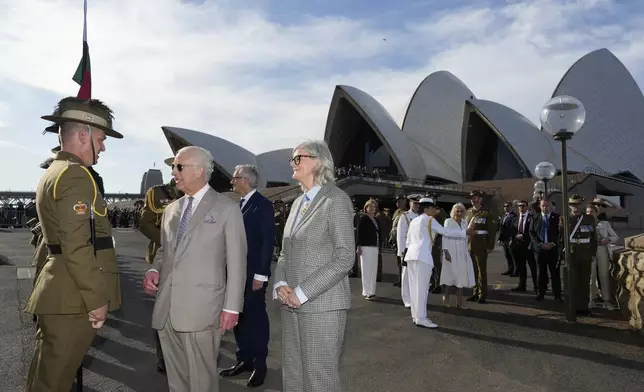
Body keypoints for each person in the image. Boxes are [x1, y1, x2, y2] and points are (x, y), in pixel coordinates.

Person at [25, 97, 123, 392]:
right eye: (101, 139)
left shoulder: (56, 172)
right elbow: (78, 245)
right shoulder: (75, 176)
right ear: (83, 135)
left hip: (62, 290)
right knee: (54, 382)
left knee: (46, 375)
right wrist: (96, 299)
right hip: (73, 296)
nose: (103, 147)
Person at [142, 146, 246, 392]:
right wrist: (154, 270)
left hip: (203, 310)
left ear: (199, 170)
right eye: (173, 167)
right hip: (167, 308)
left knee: (202, 382)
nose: (173, 172)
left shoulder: (226, 208)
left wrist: (232, 307)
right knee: (176, 382)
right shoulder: (171, 210)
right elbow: (165, 251)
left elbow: (238, 260)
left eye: (179, 166)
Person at [273, 140, 354, 392]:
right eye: (292, 159)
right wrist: (281, 283)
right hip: (291, 303)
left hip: (322, 305)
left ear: (318, 162)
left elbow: (344, 256)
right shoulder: (297, 203)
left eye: (298, 158)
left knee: (320, 379)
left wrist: (303, 292)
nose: (293, 163)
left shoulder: (336, 200)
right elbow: (285, 251)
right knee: (294, 374)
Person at [220, 164, 275, 388]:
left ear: (246, 179)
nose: (232, 181)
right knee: (239, 318)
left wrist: (261, 274)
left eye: (235, 178)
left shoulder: (262, 205)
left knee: (256, 318)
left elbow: (267, 241)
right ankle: (244, 360)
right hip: (236, 274)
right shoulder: (238, 205)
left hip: (253, 274)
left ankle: (259, 364)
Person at [138, 157, 182, 375]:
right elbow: (144, 223)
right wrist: (168, 242)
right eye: (177, 167)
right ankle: (164, 356)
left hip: (191, 262)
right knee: (163, 310)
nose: (179, 171)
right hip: (162, 257)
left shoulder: (198, 194)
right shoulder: (158, 193)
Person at [404, 197, 472, 328]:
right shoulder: (429, 219)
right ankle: (421, 318)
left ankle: (416, 316)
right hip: (422, 257)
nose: (435, 210)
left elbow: (409, 240)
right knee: (422, 289)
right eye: (433, 207)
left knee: (414, 288)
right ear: (427, 208)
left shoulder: (414, 221)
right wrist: (464, 232)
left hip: (411, 256)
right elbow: (445, 231)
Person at [559, 194, 597, 316]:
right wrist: (562, 253)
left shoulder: (589, 219)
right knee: (572, 281)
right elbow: (560, 238)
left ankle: (583, 307)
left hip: (585, 252)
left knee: (584, 281)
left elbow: (593, 238)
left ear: (581, 205)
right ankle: (572, 306)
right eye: (573, 204)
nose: (576, 207)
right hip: (571, 253)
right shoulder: (564, 218)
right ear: (570, 206)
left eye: (578, 204)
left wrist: (592, 253)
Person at [440, 203, 476, 308]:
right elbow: (445, 236)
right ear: (453, 211)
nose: (459, 213)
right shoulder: (448, 222)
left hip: (462, 252)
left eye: (461, 211)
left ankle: (460, 301)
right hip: (451, 252)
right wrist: (445, 251)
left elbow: (466, 237)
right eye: (457, 211)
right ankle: (446, 298)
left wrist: (471, 235)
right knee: (450, 276)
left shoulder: (464, 222)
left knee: (462, 277)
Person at [465, 190, 496, 303]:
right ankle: (475, 292)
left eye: (475, 197)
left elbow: (492, 231)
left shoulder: (486, 213)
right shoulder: (468, 212)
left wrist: (490, 246)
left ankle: (482, 294)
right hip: (469, 245)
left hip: (481, 245)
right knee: (473, 271)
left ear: (481, 199)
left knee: (481, 271)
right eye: (471, 197)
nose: (473, 200)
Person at [586, 202, 619, 309]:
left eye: (591, 211)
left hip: (602, 250)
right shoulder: (583, 224)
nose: (589, 213)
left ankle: (606, 301)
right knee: (591, 276)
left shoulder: (604, 224)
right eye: (588, 212)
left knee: (604, 275)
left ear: (596, 213)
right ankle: (591, 299)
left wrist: (607, 239)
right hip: (590, 251)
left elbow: (615, 237)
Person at [529, 199, 562, 302]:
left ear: (551, 207)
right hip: (540, 250)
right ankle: (541, 293)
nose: (545, 207)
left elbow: (560, 233)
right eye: (543, 206)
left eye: (547, 206)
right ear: (540, 206)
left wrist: (552, 243)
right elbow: (532, 233)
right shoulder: (535, 218)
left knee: (555, 273)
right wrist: (539, 244)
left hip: (553, 249)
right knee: (541, 273)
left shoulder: (557, 218)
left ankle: (557, 295)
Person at [396, 195, 420, 307]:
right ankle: (406, 299)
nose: (416, 205)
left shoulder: (420, 217)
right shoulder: (404, 216)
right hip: (407, 249)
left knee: (415, 274)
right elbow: (400, 234)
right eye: (414, 203)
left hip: (417, 249)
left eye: (418, 204)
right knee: (405, 275)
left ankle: (413, 297)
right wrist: (401, 252)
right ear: (410, 203)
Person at [356, 199, 380, 299]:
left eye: (374, 207)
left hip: (375, 247)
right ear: (366, 208)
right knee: (366, 270)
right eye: (370, 207)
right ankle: (367, 292)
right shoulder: (363, 218)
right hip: (366, 247)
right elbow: (359, 233)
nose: (372, 209)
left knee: (373, 270)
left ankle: (372, 290)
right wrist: (358, 246)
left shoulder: (376, 220)